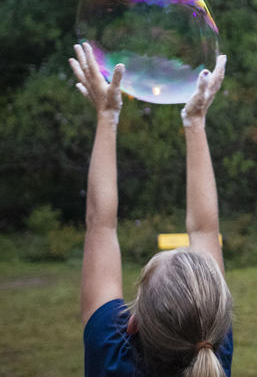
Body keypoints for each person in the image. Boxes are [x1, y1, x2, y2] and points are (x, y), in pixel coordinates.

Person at [71, 43, 233, 377]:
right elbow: (204, 229)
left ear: (131, 324)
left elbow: (101, 224)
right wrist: (195, 122)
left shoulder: (216, 343)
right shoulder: (212, 352)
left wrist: (106, 115)